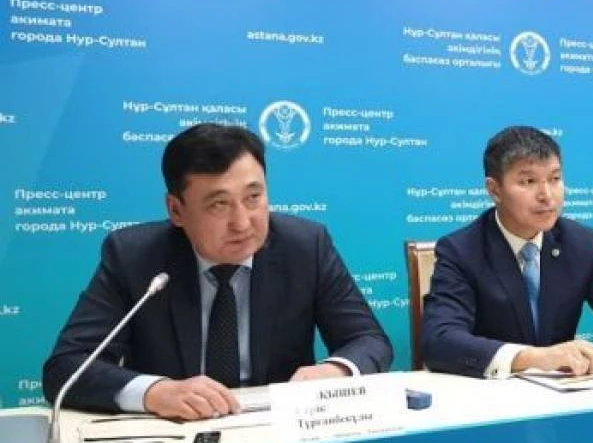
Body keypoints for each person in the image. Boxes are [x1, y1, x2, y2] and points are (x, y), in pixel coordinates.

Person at [42, 123, 393, 420]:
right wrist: (154, 392)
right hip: (179, 437)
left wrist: (336, 370)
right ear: (176, 210)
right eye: (219, 204)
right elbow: (67, 367)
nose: (242, 222)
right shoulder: (134, 257)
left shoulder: (305, 246)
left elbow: (369, 340)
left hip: (279, 432)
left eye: (253, 197)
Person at [420, 125, 593, 379]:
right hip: (492, 394)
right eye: (528, 181)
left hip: (566, 395)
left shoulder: (581, 243)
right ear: (494, 190)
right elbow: (439, 340)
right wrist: (532, 358)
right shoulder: (461, 250)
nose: (547, 195)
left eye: (555, 179)